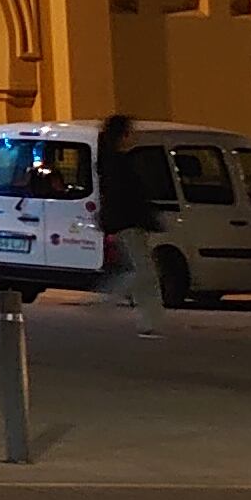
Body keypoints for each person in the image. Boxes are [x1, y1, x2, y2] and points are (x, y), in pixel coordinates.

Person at [94, 113, 168, 337]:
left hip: (124, 223)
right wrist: (150, 219)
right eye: (130, 132)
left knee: (142, 273)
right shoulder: (121, 163)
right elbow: (131, 198)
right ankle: (141, 317)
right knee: (143, 273)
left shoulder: (110, 161)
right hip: (130, 224)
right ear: (122, 135)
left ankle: (148, 321)